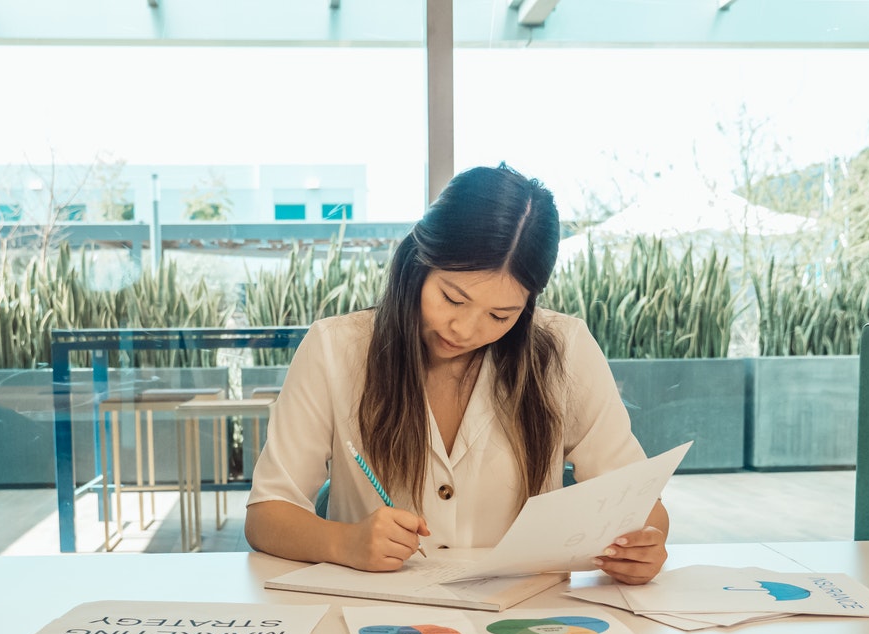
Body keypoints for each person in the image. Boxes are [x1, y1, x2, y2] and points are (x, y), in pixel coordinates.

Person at [244, 163, 669, 584]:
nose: (464, 330)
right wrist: (345, 542)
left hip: (525, 624)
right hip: (375, 620)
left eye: (500, 314)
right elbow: (267, 514)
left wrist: (644, 545)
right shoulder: (334, 349)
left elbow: (638, 502)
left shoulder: (565, 349)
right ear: (418, 261)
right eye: (451, 298)